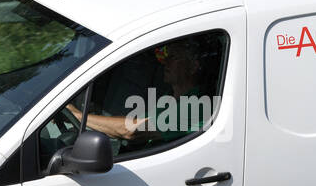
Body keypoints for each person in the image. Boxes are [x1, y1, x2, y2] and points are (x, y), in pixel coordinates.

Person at [66, 35, 216, 145]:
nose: (165, 62)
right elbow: (131, 123)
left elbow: (132, 130)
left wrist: (78, 116)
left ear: (193, 67)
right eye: (165, 56)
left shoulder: (195, 105)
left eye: (174, 57)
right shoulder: (169, 97)